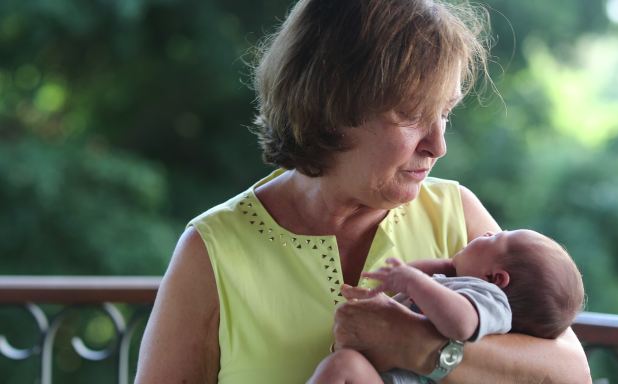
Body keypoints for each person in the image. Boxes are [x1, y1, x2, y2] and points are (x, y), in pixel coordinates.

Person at [135, 0, 591, 383]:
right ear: (332, 104)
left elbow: (571, 374)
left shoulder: (457, 215)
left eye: (445, 112)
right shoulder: (212, 251)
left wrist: (417, 347)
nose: (438, 144)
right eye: (413, 115)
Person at [308, 229, 586, 383]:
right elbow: (410, 280)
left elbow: (461, 325)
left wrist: (415, 282)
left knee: (343, 366)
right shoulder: (459, 285)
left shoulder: (491, 300)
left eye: (493, 239)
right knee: (343, 368)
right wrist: (438, 270)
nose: (487, 231)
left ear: (495, 278)